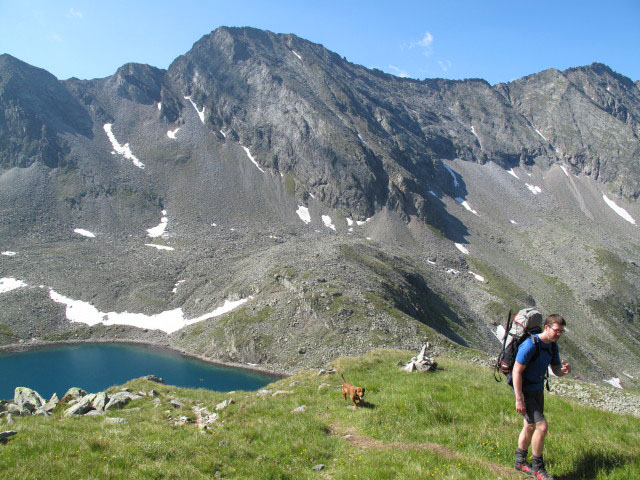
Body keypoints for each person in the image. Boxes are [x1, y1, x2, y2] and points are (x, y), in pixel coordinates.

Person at [512, 314, 571, 480]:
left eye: (561, 332)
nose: (559, 334)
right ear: (547, 327)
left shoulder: (552, 346)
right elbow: (517, 371)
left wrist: (564, 371)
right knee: (541, 427)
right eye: (556, 331)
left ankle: (520, 462)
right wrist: (519, 398)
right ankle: (538, 468)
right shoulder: (530, 345)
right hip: (525, 391)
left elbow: (556, 370)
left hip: (538, 389)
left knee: (530, 426)